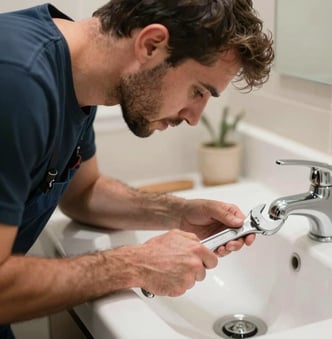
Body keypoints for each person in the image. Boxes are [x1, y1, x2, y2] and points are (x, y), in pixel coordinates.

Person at [0, 0, 273, 337]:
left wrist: (179, 213)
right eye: (198, 91)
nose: (194, 117)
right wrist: (134, 264)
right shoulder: (17, 81)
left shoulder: (79, 82)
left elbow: (82, 194)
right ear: (151, 45)